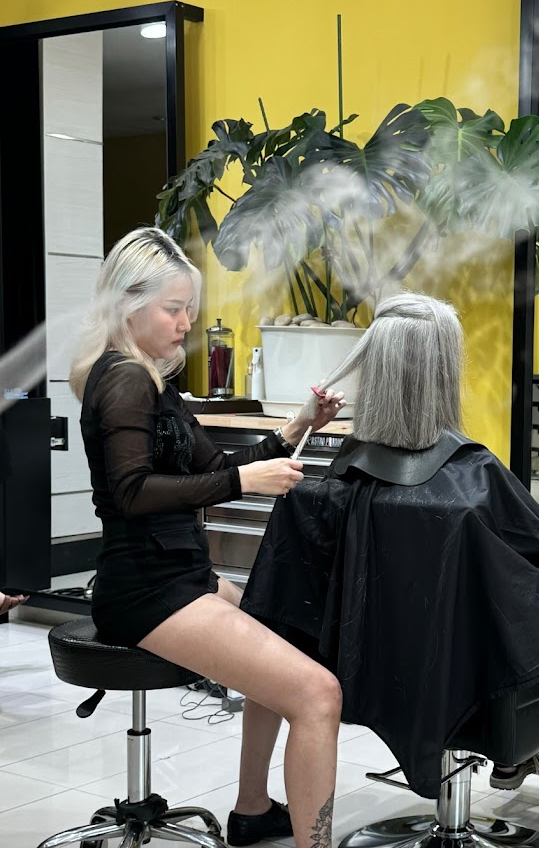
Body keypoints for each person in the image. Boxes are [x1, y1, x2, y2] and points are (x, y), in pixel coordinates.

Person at [241, 293, 539, 809]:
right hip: (466, 668)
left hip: (372, 662)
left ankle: (534, 755)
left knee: (517, 583)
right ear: (444, 373)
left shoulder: (334, 483)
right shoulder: (474, 476)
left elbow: (283, 609)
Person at [69, 227, 346, 848]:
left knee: (285, 640)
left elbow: (213, 465)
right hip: (145, 590)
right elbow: (133, 493)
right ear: (127, 304)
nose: (186, 323)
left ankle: (253, 809)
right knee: (318, 694)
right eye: (174, 308)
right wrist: (246, 481)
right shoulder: (124, 380)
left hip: (179, 576)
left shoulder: (152, 380)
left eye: (189, 308)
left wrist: (297, 426)